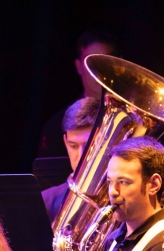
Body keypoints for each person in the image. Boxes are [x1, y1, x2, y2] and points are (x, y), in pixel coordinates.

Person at [37, 28, 119, 158]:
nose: (98, 72)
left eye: (104, 62)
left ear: (117, 67)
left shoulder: (134, 121)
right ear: (79, 67)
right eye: (90, 63)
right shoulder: (55, 127)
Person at [42, 96, 101, 223]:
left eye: (88, 145)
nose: (80, 156)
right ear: (65, 142)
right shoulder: (46, 201)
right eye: (73, 146)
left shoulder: (121, 202)